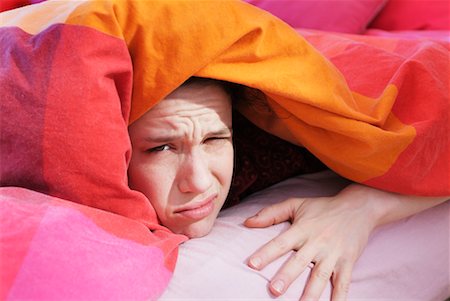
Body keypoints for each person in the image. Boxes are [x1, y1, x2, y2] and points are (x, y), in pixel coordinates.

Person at [128, 77, 448, 301]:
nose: (198, 182)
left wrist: (365, 207)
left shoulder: (278, 139)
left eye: (215, 140)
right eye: (162, 149)